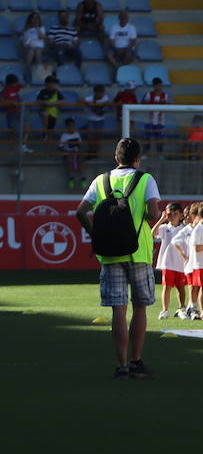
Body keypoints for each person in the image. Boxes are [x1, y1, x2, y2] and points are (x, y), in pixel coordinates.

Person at [75, 137, 162, 379]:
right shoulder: (145, 179)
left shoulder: (101, 180)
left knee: (118, 311)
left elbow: (80, 211)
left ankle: (121, 365)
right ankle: (136, 361)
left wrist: (96, 235)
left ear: (116, 158)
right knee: (140, 308)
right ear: (138, 159)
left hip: (110, 253)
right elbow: (154, 213)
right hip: (139, 252)